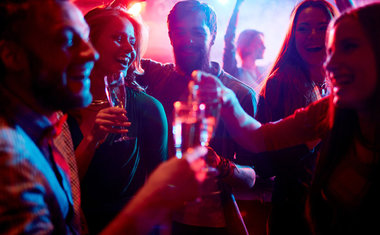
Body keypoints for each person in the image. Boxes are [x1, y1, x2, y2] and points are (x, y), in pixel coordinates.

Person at [0, 0, 209, 234]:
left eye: (86, 40)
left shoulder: (43, 128)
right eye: (68, 41)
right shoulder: (9, 152)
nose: (89, 53)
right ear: (12, 55)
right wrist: (153, 198)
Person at [195, 1, 379, 234]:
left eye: (349, 46)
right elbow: (260, 139)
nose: (331, 62)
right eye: (332, 50)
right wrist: (226, 99)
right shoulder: (327, 106)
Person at [137, 1, 256, 234]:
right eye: (179, 32)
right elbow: (114, 43)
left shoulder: (239, 94)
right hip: (158, 221)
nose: (187, 40)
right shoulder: (152, 78)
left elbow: (252, 177)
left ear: (212, 36)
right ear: (170, 37)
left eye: (197, 32)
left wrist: (220, 164)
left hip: (211, 224)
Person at [66, 3, 168, 233]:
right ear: (88, 42)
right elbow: (61, 187)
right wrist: (92, 141)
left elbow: (159, 193)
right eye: (118, 38)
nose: (128, 48)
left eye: (132, 41)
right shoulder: (61, 107)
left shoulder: (148, 109)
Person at [255, 1, 337, 234]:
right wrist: (309, 139)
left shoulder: (336, 83)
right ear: (293, 34)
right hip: (295, 217)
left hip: (328, 213)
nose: (313, 35)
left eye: (322, 27)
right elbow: (263, 165)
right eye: (303, 28)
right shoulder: (281, 82)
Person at [223, 0, 267, 96]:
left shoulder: (265, 71)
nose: (264, 47)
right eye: (260, 43)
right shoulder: (234, 73)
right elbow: (229, 40)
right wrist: (236, 8)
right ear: (246, 46)